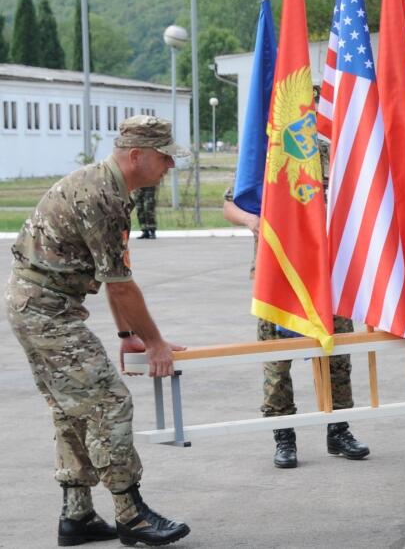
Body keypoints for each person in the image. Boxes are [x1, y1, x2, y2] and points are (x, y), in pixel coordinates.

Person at [6, 115, 191, 547]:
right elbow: (123, 287)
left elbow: (113, 272)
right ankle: (131, 514)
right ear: (136, 155)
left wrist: (129, 335)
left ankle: (78, 517)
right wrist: (157, 343)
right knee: (109, 402)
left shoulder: (108, 188)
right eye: (164, 157)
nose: (170, 166)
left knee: (73, 408)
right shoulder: (102, 197)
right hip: (44, 309)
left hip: (40, 304)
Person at [222, 138, 369, 469]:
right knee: (277, 361)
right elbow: (231, 204)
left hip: (325, 276)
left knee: (337, 355)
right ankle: (283, 436)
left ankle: (339, 430)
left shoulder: (325, 146)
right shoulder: (267, 147)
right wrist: (253, 221)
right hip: (278, 275)